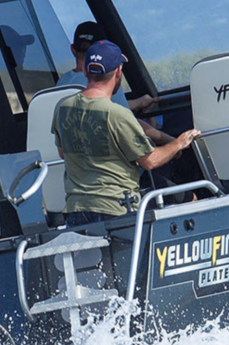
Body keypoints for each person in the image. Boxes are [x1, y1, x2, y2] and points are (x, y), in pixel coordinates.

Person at [52, 40, 200, 227]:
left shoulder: (63, 108)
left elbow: (63, 152)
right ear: (118, 72)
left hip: (76, 212)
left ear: (85, 72)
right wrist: (178, 143)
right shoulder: (117, 114)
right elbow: (150, 161)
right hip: (116, 211)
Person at [58, 21, 172, 145]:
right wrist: (172, 141)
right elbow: (127, 123)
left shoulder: (63, 82)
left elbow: (98, 107)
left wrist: (138, 103)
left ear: (72, 50)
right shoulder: (101, 80)